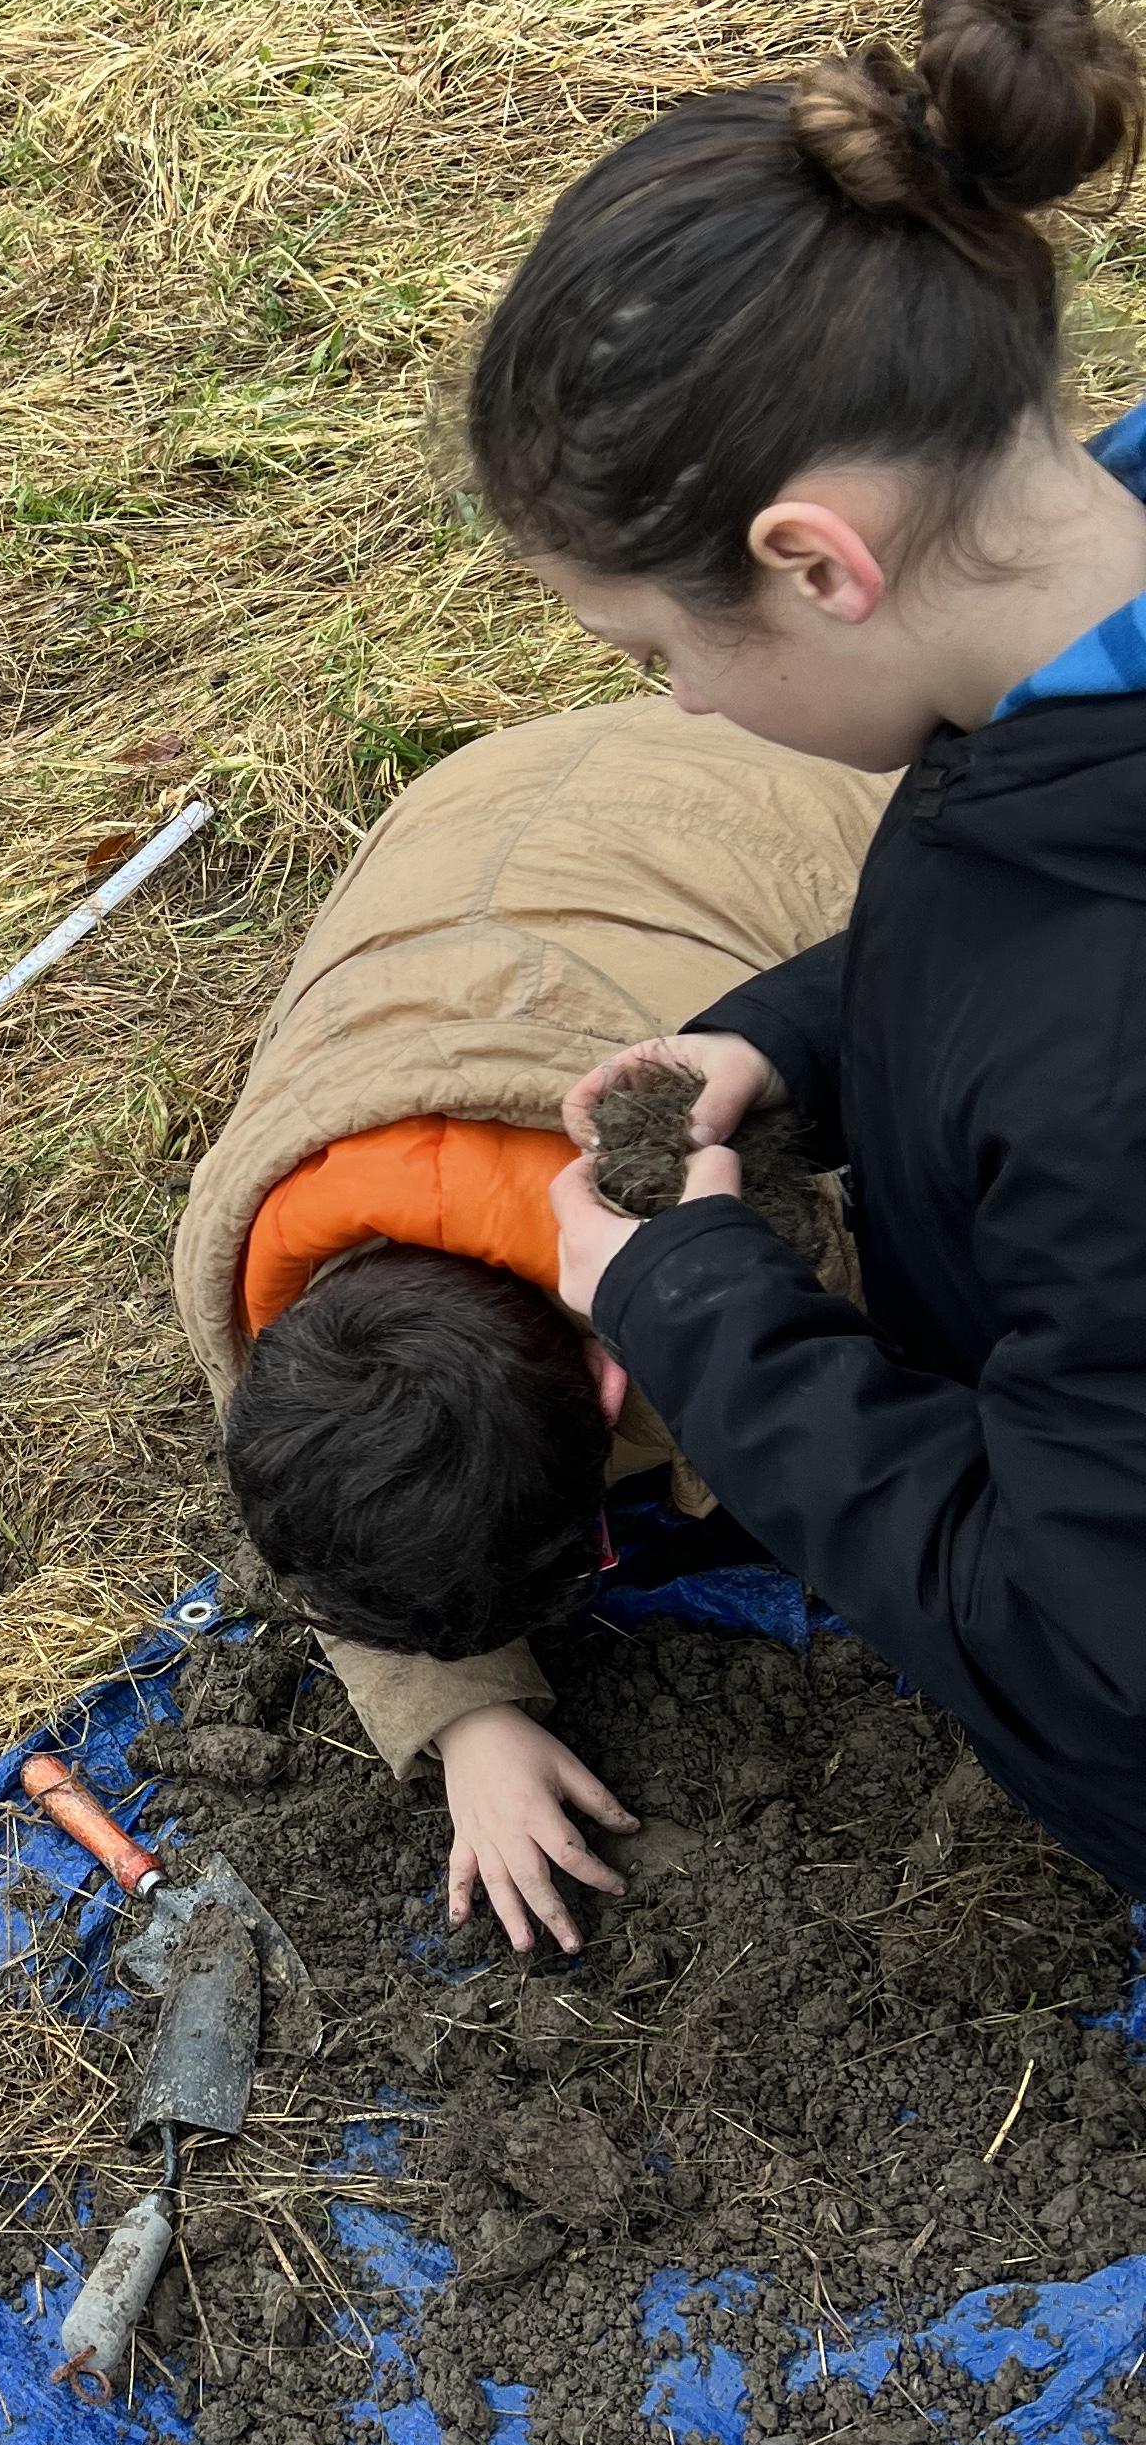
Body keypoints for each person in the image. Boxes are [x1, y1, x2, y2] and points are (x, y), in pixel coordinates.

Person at [467, 0, 1146, 1897]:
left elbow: (1081, 1644)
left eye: (659, 652)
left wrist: (695, 1310)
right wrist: (789, 1038)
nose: (678, 707)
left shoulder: (1107, 1073)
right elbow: (1021, 927)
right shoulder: (1057, 686)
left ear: (814, 562)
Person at [174, 700, 882, 1949]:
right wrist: (467, 1720)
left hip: (791, 773)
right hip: (470, 810)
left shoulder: (757, 1220)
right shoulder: (242, 1256)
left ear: (611, 1388)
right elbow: (324, 1515)